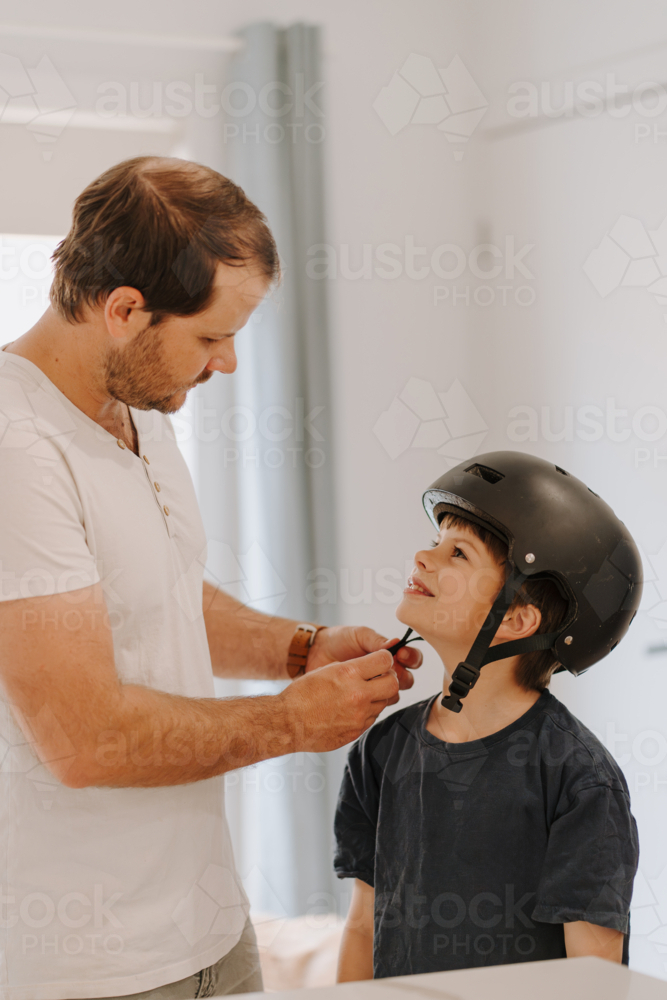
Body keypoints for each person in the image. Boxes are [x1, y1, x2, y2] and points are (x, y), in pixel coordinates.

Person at [0, 156, 422, 1000]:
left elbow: (162, 593)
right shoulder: (17, 446)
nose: (225, 365)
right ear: (123, 310)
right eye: (210, 337)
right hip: (91, 964)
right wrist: (291, 723)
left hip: (210, 930)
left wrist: (298, 650)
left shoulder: (137, 407)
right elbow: (85, 740)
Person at [334, 451, 642, 981]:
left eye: (458, 554)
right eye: (435, 542)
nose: (422, 556)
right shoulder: (381, 751)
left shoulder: (578, 779)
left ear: (519, 619)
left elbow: (594, 979)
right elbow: (364, 927)